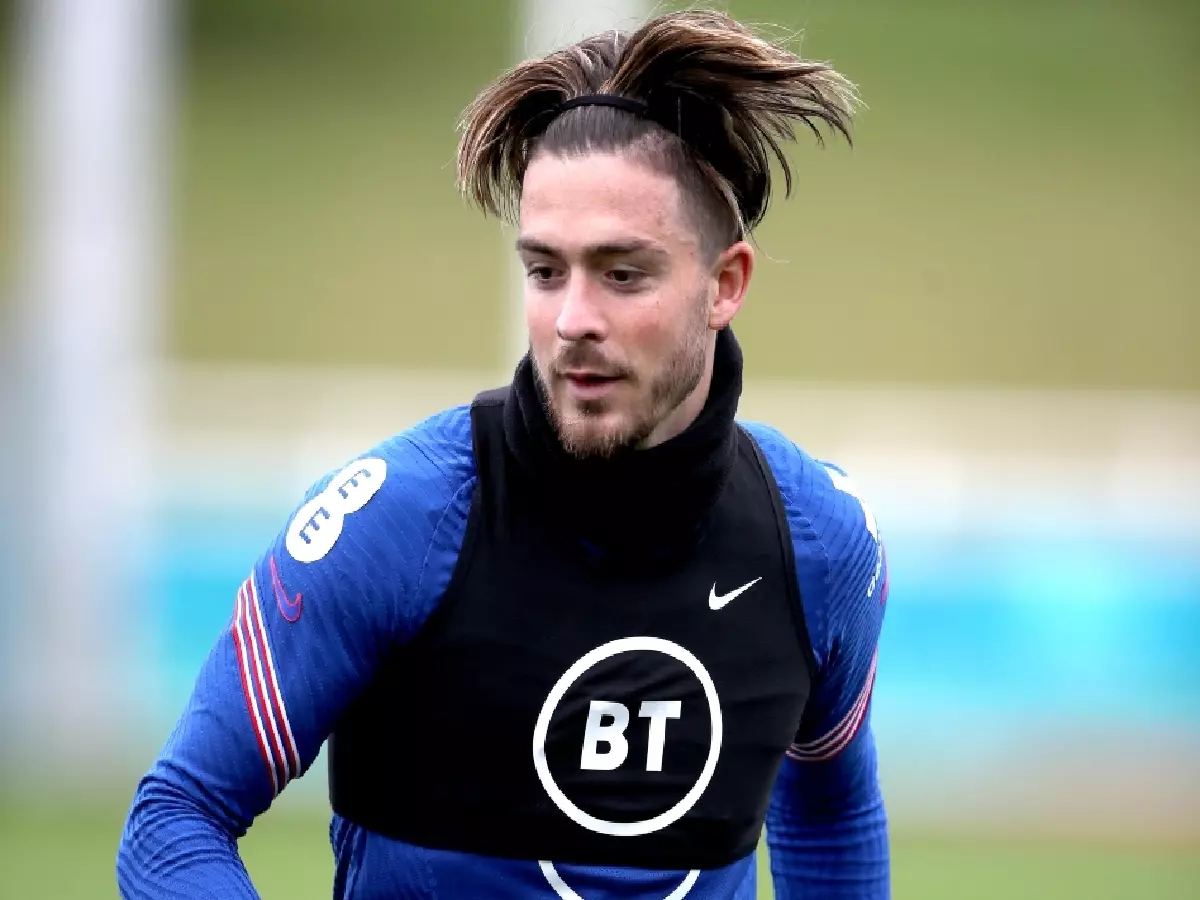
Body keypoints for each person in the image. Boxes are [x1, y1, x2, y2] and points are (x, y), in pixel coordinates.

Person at [117, 9, 890, 899]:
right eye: (545, 270)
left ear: (725, 285)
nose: (573, 321)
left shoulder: (818, 544)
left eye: (623, 273)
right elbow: (176, 818)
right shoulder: (397, 522)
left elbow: (831, 817)